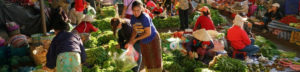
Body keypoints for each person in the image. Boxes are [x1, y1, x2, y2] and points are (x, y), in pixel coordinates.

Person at [126, 1, 162, 71]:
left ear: (141, 9)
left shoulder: (144, 17)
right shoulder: (133, 18)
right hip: (143, 39)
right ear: (132, 10)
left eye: (138, 10)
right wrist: (131, 41)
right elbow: (135, 30)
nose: (136, 13)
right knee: (147, 58)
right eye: (134, 10)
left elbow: (148, 33)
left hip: (153, 38)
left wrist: (136, 40)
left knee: (155, 59)